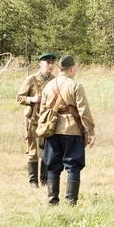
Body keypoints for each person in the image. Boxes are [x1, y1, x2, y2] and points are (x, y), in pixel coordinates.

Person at [40, 55, 95, 205]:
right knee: (73, 165)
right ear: (71, 69)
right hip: (72, 130)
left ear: (59, 69)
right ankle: (71, 202)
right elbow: (84, 111)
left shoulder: (48, 86)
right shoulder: (75, 85)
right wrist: (90, 131)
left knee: (52, 166)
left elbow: (43, 111)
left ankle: (52, 201)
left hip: (51, 131)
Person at [16, 53, 56, 188]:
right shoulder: (31, 79)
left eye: (52, 63)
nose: (50, 66)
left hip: (48, 120)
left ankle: (44, 179)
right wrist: (31, 99)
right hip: (33, 120)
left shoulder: (54, 80)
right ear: (41, 64)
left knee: (46, 150)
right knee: (33, 151)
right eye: (47, 63)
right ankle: (33, 182)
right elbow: (19, 97)